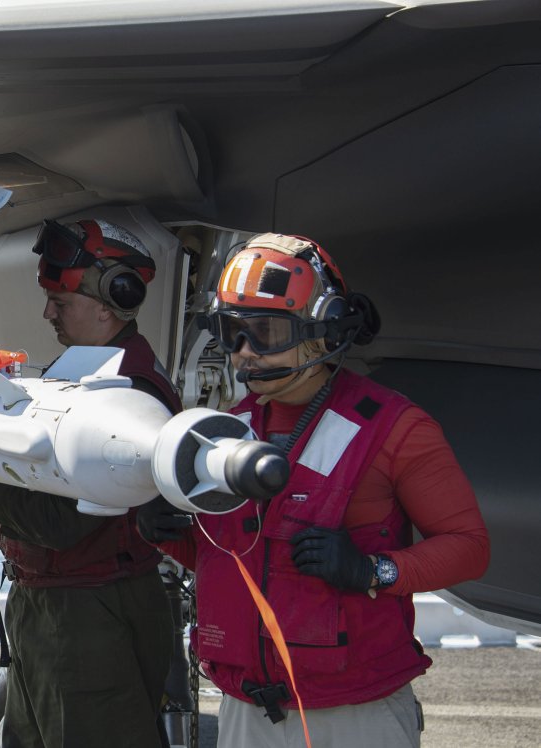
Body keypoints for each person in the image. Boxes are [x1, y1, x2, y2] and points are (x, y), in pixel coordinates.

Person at [137, 232, 490, 747]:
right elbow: (238, 559)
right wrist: (167, 535)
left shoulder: (396, 429)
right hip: (245, 712)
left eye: (267, 333)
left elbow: (470, 548)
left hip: (354, 715)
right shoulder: (223, 432)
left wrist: (374, 570)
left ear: (323, 331)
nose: (245, 353)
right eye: (232, 332)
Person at [0, 218, 185, 748]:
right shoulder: (84, 372)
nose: (48, 312)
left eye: (61, 301)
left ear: (108, 303)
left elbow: (58, 523)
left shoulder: (131, 397)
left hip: (89, 615)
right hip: (53, 607)